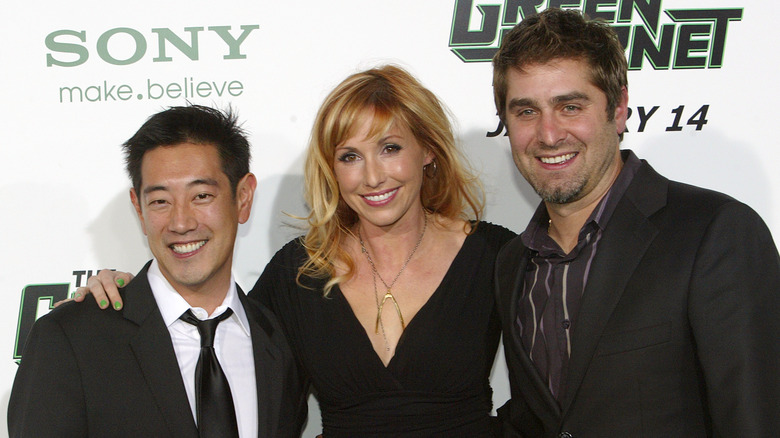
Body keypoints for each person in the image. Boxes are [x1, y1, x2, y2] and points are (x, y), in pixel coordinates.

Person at [74, 66, 515, 436]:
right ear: (332, 169)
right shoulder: (299, 271)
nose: (373, 177)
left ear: (429, 151)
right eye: (349, 157)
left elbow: (555, 394)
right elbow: (217, 348)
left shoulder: (496, 256)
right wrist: (130, 298)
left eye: (390, 148)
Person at [491, 8, 780, 437]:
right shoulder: (513, 263)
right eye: (526, 112)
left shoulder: (715, 233)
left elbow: (754, 421)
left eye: (570, 106)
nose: (549, 135)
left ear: (620, 108)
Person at [9, 105, 306, 438]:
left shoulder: (278, 343)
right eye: (160, 201)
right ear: (138, 208)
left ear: (243, 197)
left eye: (202, 195)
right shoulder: (71, 339)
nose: (181, 223)